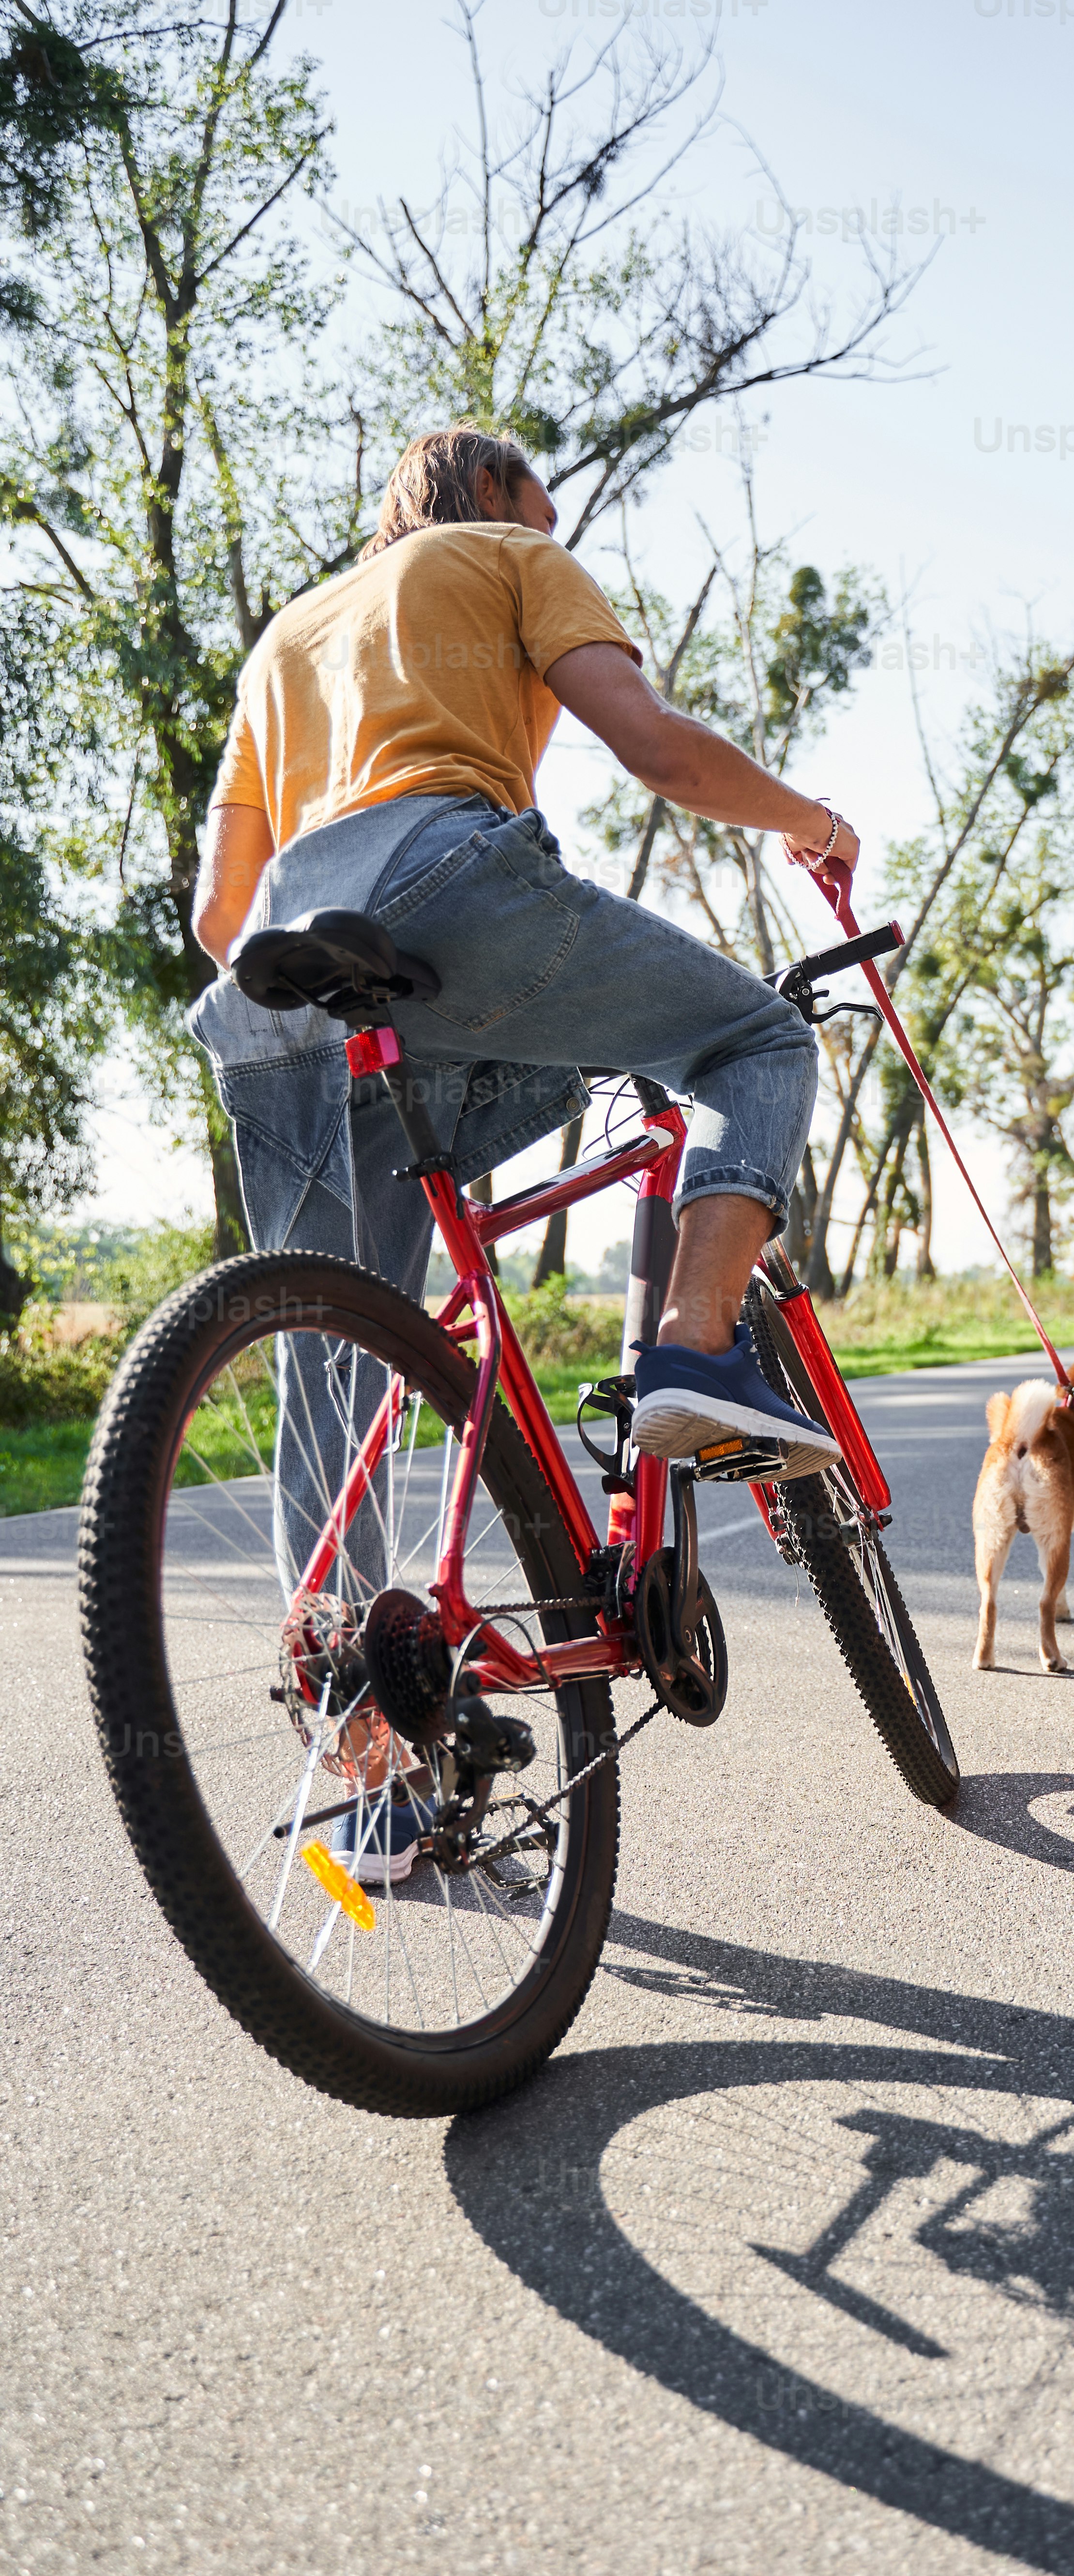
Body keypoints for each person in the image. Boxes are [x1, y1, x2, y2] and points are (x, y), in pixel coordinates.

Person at [188, 425, 854, 1879]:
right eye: (542, 505)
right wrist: (811, 821)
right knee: (751, 1045)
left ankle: (364, 1752)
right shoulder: (509, 556)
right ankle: (689, 1347)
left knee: (331, 1354)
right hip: (451, 883)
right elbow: (654, 745)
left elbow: (214, 909)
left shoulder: (285, 639)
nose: (554, 524)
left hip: (287, 975)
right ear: (492, 499)